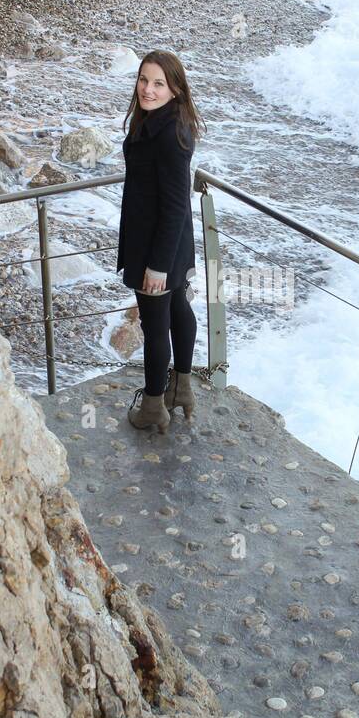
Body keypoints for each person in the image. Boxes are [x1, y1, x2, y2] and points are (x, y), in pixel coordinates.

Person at [116, 50, 206, 432]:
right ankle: (181, 388)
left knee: (155, 327)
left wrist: (157, 266)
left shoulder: (167, 135)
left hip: (158, 246)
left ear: (175, 90)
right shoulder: (163, 122)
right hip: (174, 242)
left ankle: (154, 407)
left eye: (158, 83)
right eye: (143, 80)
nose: (147, 90)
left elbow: (172, 206)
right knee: (177, 309)